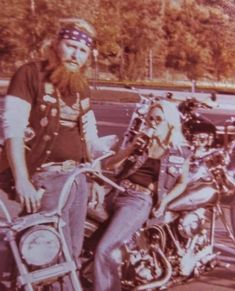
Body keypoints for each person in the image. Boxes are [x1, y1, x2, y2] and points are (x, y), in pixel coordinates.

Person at [2, 17, 102, 289]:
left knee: (71, 250)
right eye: (70, 46)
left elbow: (88, 135)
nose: (75, 54)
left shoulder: (81, 86)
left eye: (82, 50)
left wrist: (94, 178)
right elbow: (13, 129)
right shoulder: (30, 74)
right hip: (44, 179)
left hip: (76, 179)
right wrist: (22, 179)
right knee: (39, 249)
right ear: (56, 45)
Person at [93, 100, 191, 291]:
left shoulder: (180, 151)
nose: (153, 123)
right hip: (115, 191)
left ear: (170, 122)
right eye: (150, 118)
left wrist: (165, 202)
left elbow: (181, 182)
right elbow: (110, 166)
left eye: (158, 119)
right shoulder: (139, 142)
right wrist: (130, 148)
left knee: (105, 249)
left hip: (137, 201)